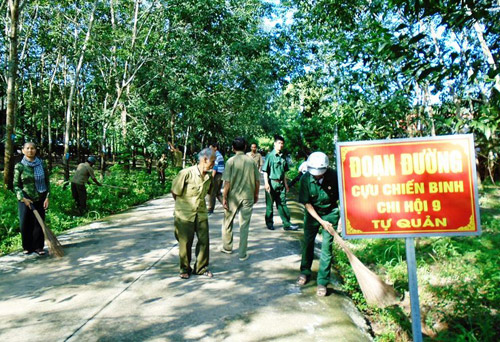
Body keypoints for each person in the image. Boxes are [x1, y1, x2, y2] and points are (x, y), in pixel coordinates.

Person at [296, 152, 339, 297]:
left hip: (330, 212)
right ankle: (305, 272)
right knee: (308, 242)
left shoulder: (334, 176)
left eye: (320, 174)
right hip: (312, 213)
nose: (317, 176)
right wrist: (321, 222)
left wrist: (337, 221)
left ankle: (322, 282)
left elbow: (343, 197)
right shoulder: (305, 179)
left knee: (327, 248)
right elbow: (307, 203)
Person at [171, 148, 215, 279]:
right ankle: (184, 268)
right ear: (204, 159)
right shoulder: (186, 173)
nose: (214, 164)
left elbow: (210, 193)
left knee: (204, 241)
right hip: (184, 214)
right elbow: (175, 192)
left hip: (201, 213)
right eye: (212, 161)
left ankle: (201, 268)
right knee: (185, 242)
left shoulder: (209, 176)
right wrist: (183, 206)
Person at [220, 137, 260, 261]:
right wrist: (256, 195)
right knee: (244, 225)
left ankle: (227, 247)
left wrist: (224, 197)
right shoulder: (251, 161)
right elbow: (257, 181)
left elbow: (227, 182)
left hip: (233, 197)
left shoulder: (230, 161)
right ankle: (242, 254)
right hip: (248, 196)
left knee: (227, 222)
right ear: (245, 147)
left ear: (233, 148)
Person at [13, 142, 50, 255]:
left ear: (35, 150)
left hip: (40, 196)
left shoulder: (42, 164)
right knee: (26, 223)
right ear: (23, 150)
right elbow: (15, 185)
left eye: (32, 148)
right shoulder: (19, 166)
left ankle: (39, 247)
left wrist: (47, 197)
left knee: (38, 223)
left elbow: (47, 182)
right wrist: (23, 198)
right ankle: (27, 247)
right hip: (26, 198)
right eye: (27, 148)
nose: (30, 150)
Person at [262, 135, 299, 231]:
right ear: (275, 144)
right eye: (279, 143)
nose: (281, 145)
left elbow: (284, 173)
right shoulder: (270, 156)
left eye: (282, 143)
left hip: (281, 184)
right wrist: (266, 183)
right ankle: (269, 223)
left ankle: (287, 224)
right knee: (270, 206)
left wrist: (286, 185)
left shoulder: (283, 157)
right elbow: (265, 171)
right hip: (271, 183)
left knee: (282, 204)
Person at [207, 142, 224, 214]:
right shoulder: (218, 155)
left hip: (217, 175)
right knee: (218, 193)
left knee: (211, 192)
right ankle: (227, 205)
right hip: (220, 175)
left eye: (211, 148)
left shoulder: (217, 155)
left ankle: (210, 209)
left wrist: (212, 178)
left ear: (215, 148)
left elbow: (215, 167)